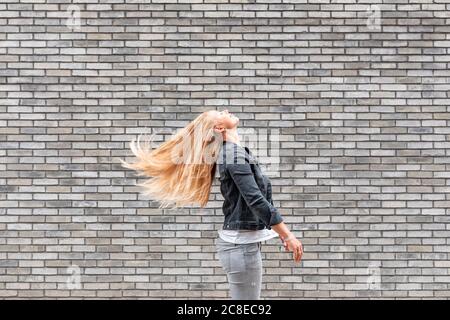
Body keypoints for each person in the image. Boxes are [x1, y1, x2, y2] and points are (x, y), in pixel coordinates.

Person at [120, 109, 303, 300]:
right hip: (240, 249)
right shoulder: (233, 156)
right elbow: (256, 200)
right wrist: (287, 235)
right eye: (220, 112)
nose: (226, 110)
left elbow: (256, 199)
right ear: (219, 127)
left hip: (242, 247)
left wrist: (278, 232)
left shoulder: (237, 153)